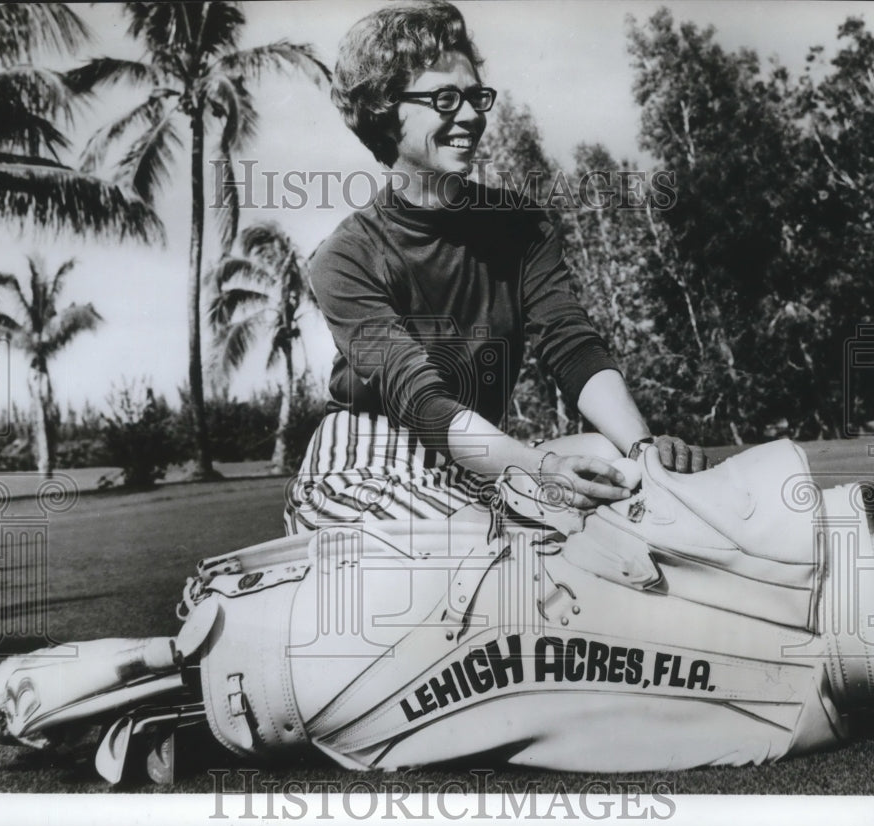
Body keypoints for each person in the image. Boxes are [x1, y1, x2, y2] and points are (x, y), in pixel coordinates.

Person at [284, 0, 706, 535]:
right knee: (492, 539)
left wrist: (644, 451)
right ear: (385, 110)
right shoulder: (344, 258)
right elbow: (422, 401)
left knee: (623, 465)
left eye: (475, 96)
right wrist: (542, 467)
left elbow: (571, 345)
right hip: (367, 467)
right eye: (444, 99)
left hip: (479, 461)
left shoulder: (521, 226)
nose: (470, 116)